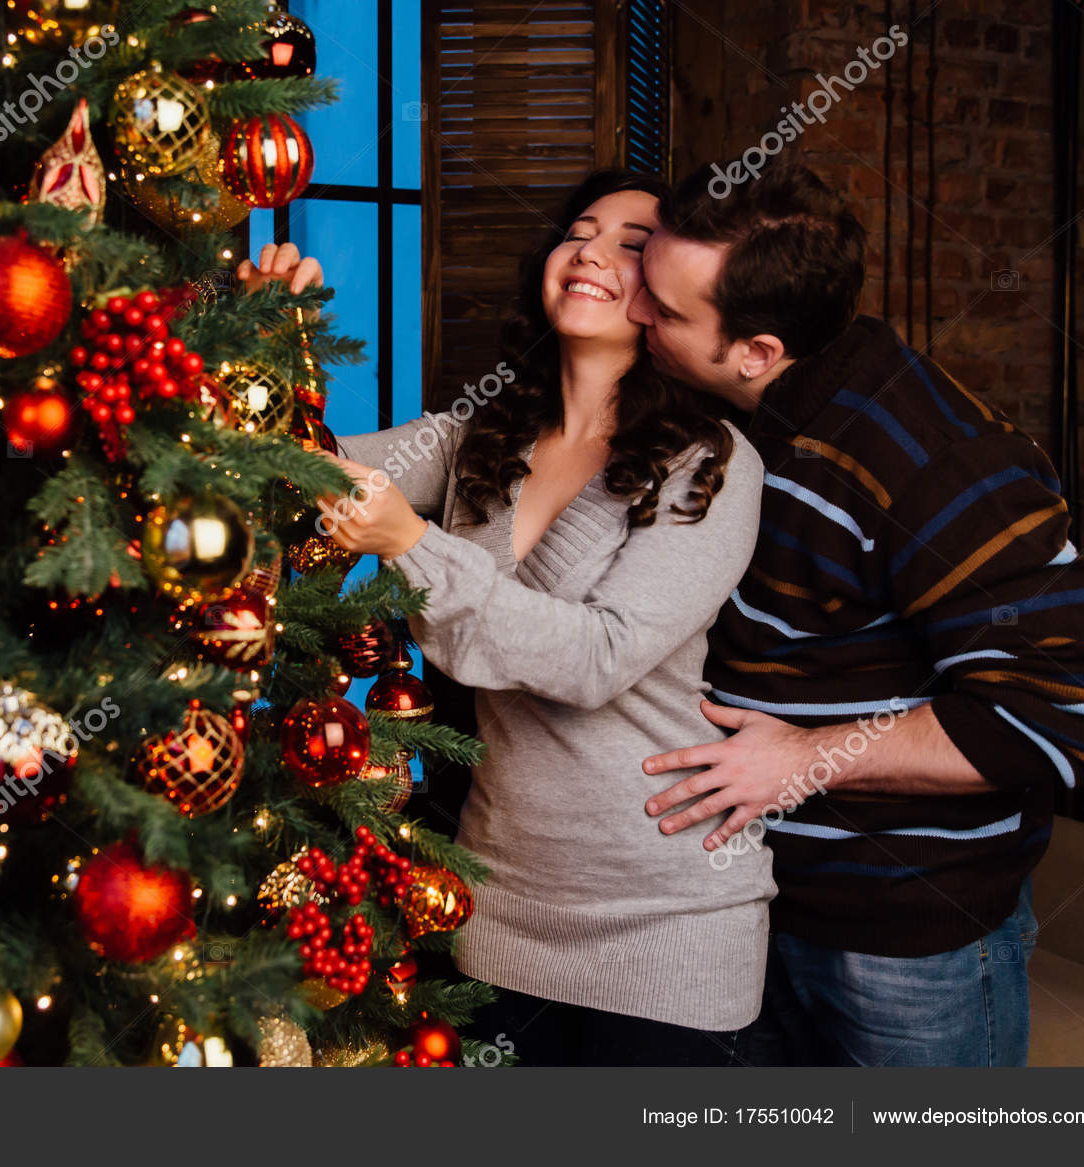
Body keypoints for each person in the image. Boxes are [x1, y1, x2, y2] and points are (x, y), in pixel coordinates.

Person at [238, 170, 776, 1066]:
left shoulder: (710, 464)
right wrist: (260, 343)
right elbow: (308, 473)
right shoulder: (475, 435)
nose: (592, 252)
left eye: (633, 245)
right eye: (579, 230)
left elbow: (596, 657)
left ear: (672, 297)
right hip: (498, 908)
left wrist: (410, 541)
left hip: (667, 922)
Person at [626, 160, 1084, 1066]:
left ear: (758, 350)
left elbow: (1061, 715)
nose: (636, 316)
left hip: (905, 941)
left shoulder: (944, 463)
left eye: (663, 310)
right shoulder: (715, 410)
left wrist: (808, 759)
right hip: (743, 904)